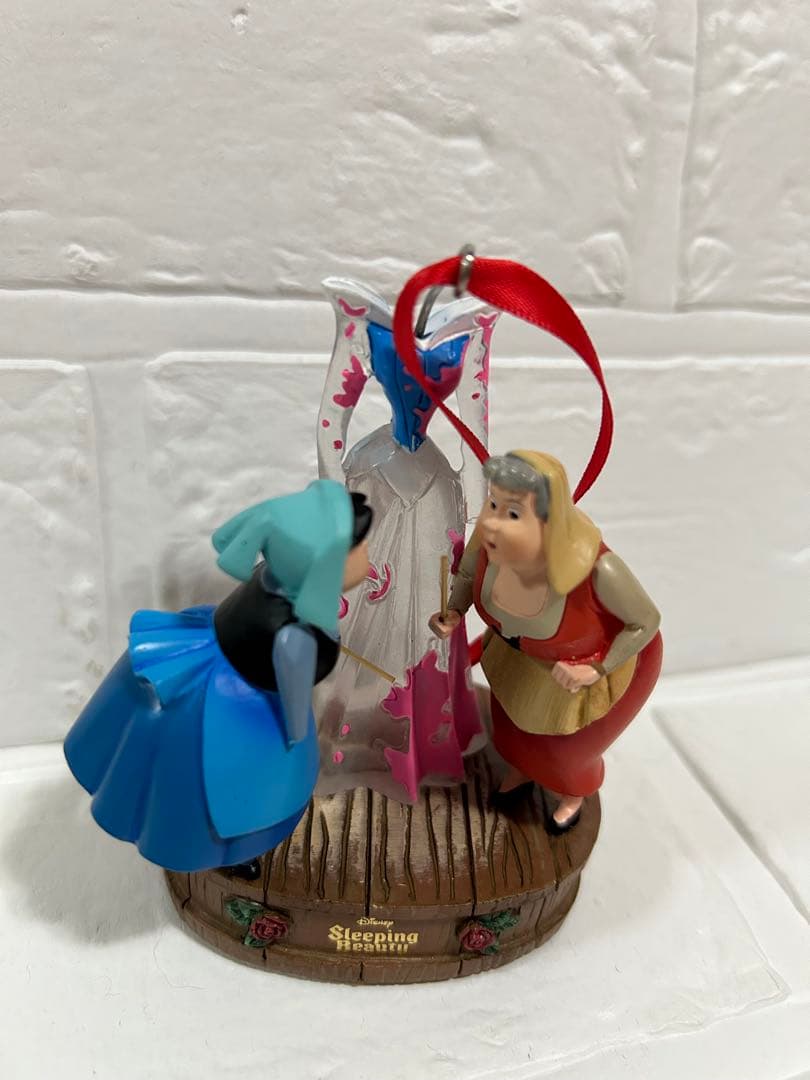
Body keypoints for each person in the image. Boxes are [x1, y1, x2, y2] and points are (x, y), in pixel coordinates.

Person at [64, 480, 372, 873]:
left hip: (212, 660)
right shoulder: (293, 635)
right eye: (356, 549)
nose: (366, 557)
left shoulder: (271, 575)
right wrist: (295, 738)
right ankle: (226, 851)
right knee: (236, 784)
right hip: (236, 706)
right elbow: (295, 709)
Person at [314, 278, 498, 802]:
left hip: (434, 488)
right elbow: (332, 418)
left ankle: (419, 727)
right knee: (362, 604)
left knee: (430, 607)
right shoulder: (367, 325)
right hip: (377, 479)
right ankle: (352, 721)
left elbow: (476, 422)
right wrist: (334, 497)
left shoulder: (468, 329)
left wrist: (476, 500)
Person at [430, 451, 662, 832]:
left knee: (567, 750)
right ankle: (523, 770)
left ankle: (572, 794)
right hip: (517, 658)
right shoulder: (489, 543)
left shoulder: (598, 570)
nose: (492, 523)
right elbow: (469, 576)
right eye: (492, 505)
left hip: (578, 673)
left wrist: (595, 667)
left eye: (513, 513)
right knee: (511, 726)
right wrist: (455, 610)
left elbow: (645, 621)